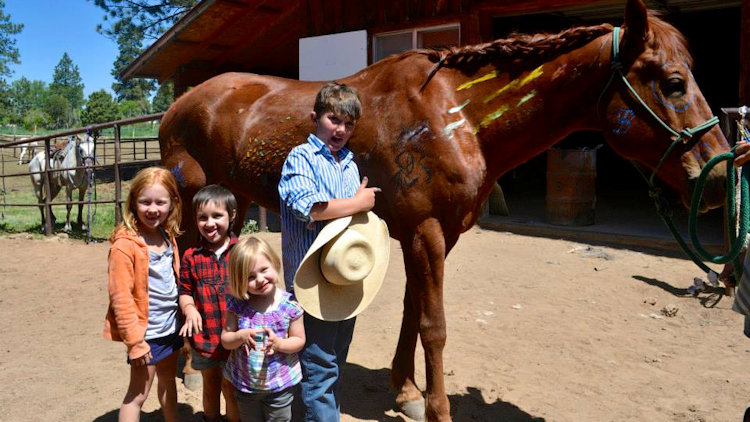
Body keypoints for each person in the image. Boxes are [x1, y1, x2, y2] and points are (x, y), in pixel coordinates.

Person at [278, 82, 380, 421]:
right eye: (334, 119)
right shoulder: (301, 157)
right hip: (311, 282)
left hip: (342, 278)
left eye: (349, 124)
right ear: (315, 117)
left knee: (335, 360)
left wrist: (358, 206)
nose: (341, 129)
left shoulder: (348, 163)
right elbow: (309, 208)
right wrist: (358, 202)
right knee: (319, 368)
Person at [103, 167, 183, 422]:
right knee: (138, 394)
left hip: (170, 328)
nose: (153, 209)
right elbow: (121, 297)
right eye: (145, 201)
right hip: (146, 334)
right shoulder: (125, 245)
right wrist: (135, 343)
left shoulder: (167, 235)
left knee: (169, 381)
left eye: (161, 202)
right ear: (133, 202)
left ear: (172, 204)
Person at [221, 236, 306, 421]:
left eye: (264, 270)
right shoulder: (238, 306)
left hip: (279, 385)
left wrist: (279, 344)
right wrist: (240, 336)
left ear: (274, 264)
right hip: (246, 385)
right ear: (239, 280)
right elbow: (226, 340)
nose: (260, 279)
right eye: (250, 277)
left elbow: (299, 340)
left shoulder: (289, 305)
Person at [178, 184, 240, 422]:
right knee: (210, 385)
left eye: (217, 216)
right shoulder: (191, 256)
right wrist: (189, 307)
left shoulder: (241, 251)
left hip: (234, 337)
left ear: (231, 216)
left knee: (231, 388)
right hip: (204, 337)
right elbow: (184, 291)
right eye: (202, 217)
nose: (209, 223)